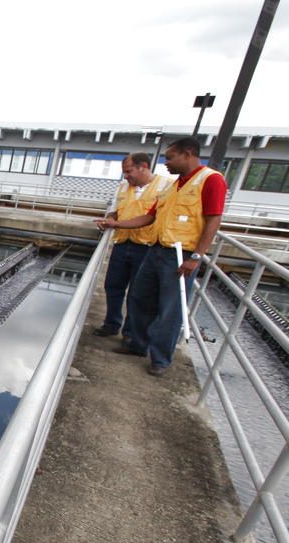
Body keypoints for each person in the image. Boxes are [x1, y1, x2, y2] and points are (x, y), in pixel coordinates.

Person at [95, 137, 226, 376]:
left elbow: (213, 219)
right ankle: (137, 344)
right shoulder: (174, 186)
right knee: (139, 297)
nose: (166, 163)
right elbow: (149, 217)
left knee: (170, 307)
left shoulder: (211, 179)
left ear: (188, 154)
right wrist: (116, 224)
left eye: (170, 157)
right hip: (155, 249)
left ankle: (160, 359)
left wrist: (196, 256)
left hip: (180, 253)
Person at [93, 153, 172, 339]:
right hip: (122, 243)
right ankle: (111, 324)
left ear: (143, 166)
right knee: (113, 285)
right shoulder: (123, 187)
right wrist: (109, 220)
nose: (126, 176)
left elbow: (156, 218)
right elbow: (114, 211)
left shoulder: (166, 186)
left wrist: (116, 224)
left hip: (146, 247)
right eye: (124, 172)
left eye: (129, 171)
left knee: (139, 293)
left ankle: (131, 333)